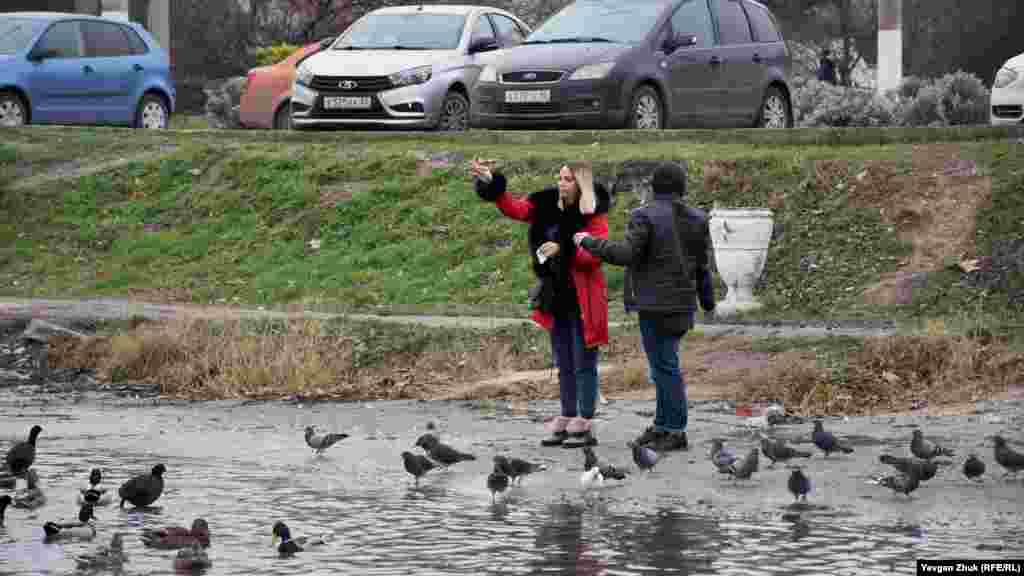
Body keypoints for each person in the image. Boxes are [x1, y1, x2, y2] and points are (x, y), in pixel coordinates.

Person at [573, 161, 714, 452]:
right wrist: (708, 302)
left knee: (665, 368)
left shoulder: (644, 216)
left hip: (654, 305)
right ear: (682, 187)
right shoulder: (698, 219)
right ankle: (662, 425)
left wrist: (589, 242)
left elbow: (626, 254)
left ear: (654, 187)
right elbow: (702, 266)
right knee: (664, 366)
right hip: (683, 305)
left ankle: (674, 430)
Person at [471, 159, 610, 448]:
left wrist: (563, 248)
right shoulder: (545, 204)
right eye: (559, 177)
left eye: (568, 179)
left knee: (584, 363)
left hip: (584, 299)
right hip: (555, 297)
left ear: (581, 184)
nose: (561, 183)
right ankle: (567, 415)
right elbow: (515, 208)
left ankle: (585, 420)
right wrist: (491, 181)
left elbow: (594, 254)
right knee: (564, 362)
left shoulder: (593, 213)